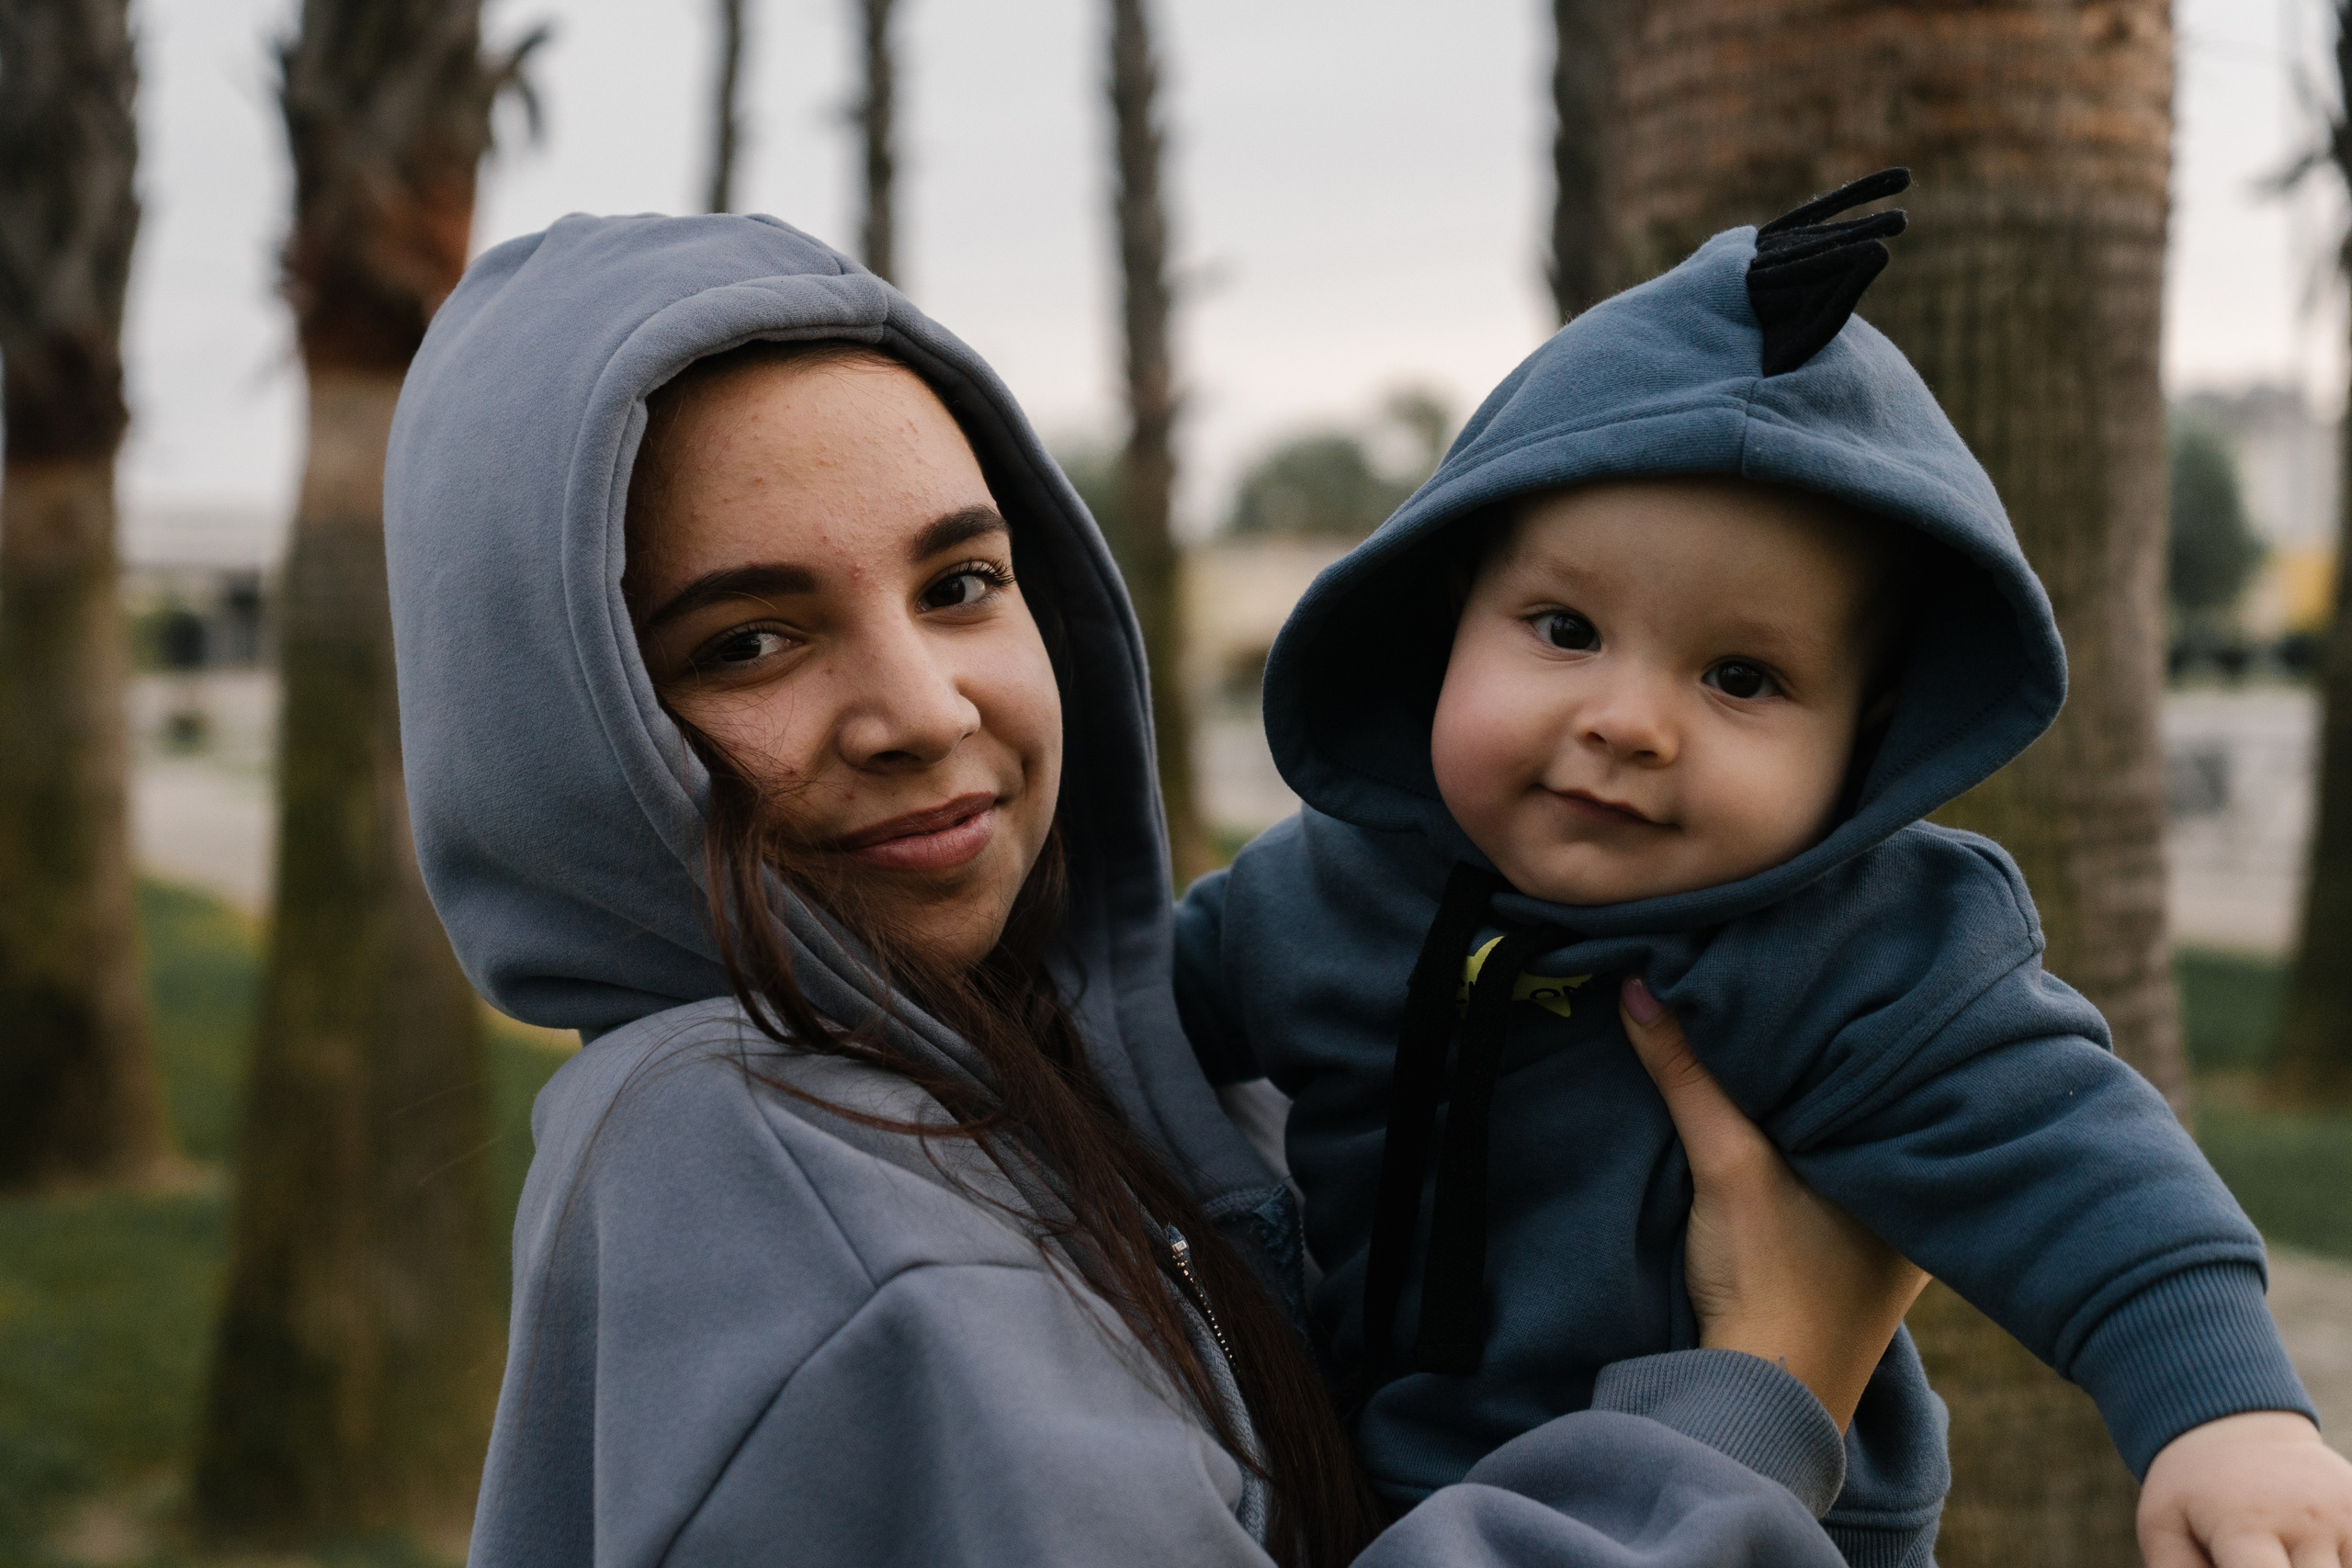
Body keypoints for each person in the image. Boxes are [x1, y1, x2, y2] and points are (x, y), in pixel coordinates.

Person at [385, 211, 1929, 1566]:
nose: (925, 708)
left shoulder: (1043, 1052)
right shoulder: (755, 1164)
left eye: (960, 584)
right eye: (748, 641)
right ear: (562, 731)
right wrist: (1767, 1392)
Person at [1173, 170, 2352, 1568]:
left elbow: (2074, 1155)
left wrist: (2228, 1417)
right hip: (1379, 1490)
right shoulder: (1317, 890)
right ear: (1441, 621)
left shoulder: (1860, 949)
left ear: (1868, 748)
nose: (1625, 720)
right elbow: (1110, 1004)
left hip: (1758, 1518)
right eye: (1561, 628)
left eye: (1741, 676)